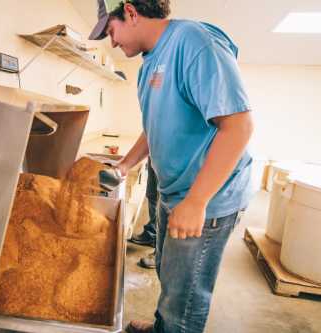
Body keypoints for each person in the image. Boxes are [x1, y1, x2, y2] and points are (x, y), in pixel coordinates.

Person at [89, 1, 254, 333]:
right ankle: (163, 327)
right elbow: (154, 126)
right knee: (169, 271)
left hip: (207, 198)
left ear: (131, 12)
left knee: (185, 297)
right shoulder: (149, 64)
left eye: (111, 31)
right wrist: (125, 164)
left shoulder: (194, 42)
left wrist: (196, 202)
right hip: (173, 192)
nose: (113, 43)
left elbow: (238, 126)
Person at [129, 159, 158, 269]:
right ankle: (152, 234)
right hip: (156, 152)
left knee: (166, 201)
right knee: (152, 194)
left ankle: (162, 253)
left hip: (174, 156)